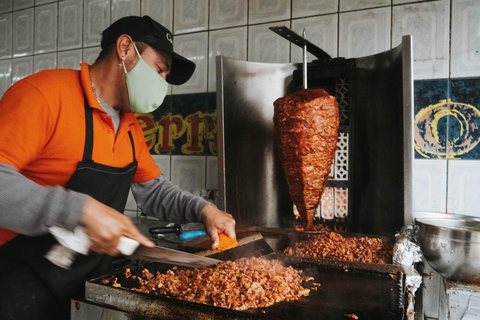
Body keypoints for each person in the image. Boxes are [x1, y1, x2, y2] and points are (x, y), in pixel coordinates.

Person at [0, 15, 236, 320]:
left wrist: (203, 211)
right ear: (124, 48)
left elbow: (153, 191)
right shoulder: (44, 94)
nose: (161, 84)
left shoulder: (129, 125)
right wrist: (80, 210)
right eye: (160, 70)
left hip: (81, 287)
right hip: (18, 285)